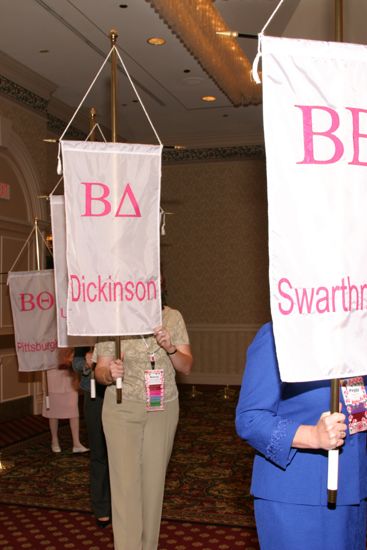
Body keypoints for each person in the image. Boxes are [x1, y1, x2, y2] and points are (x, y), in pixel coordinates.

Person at [235, 322, 367, 550]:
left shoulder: (357, 331)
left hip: (354, 491)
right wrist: (312, 436)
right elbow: (250, 419)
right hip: (297, 495)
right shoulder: (280, 334)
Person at [94, 304, 193, 550]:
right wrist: (109, 373)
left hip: (163, 408)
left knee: (153, 487)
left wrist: (170, 348)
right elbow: (100, 371)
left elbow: (186, 366)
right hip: (122, 408)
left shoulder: (172, 316)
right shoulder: (113, 318)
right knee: (125, 491)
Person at [72, 347, 111, 528]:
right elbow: (76, 362)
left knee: (124, 452)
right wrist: (86, 363)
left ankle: (125, 504)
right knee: (98, 451)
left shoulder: (124, 324)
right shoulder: (86, 329)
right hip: (94, 393)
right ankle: (102, 508)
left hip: (123, 392)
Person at [42, 347, 89, 454]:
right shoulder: (45, 336)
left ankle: (76, 443)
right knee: (53, 410)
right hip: (53, 371)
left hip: (69, 372)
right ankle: (54, 440)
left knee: (73, 409)